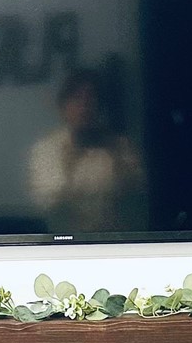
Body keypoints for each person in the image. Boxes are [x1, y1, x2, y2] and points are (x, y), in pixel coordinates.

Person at [27, 69, 143, 234]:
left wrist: (116, 158)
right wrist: (70, 162)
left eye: (91, 97)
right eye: (77, 98)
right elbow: (44, 202)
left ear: (100, 105)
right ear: (63, 107)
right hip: (62, 247)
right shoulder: (46, 149)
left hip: (113, 245)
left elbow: (138, 196)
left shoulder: (121, 146)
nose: (85, 105)